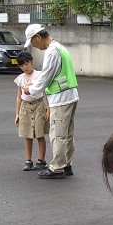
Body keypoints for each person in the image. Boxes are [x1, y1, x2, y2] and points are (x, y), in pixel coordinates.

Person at [23, 23, 77, 180]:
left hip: (60, 99)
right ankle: (66, 164)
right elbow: (52, 75)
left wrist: (30, 89)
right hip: (70, 96)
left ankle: (57, 167)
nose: (34, 46)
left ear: (38, 37)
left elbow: (46, 77)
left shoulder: (52, 52)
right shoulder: (60, 47)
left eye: (32, 42)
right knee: (67, 134)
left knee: (58, 134)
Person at [13, 51, 48, 171]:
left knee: (39, 134)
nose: (24, 67)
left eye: (26, 63)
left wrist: (48, 109)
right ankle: (28, 160)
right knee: (27, 135)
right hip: (25, 107)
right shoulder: (20, 79)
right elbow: (19, 97)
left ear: (31, 62)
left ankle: (41, 160)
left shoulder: (39, 75)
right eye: (21, 65)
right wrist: (17, 113)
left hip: (39, 106)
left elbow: (47, 93)